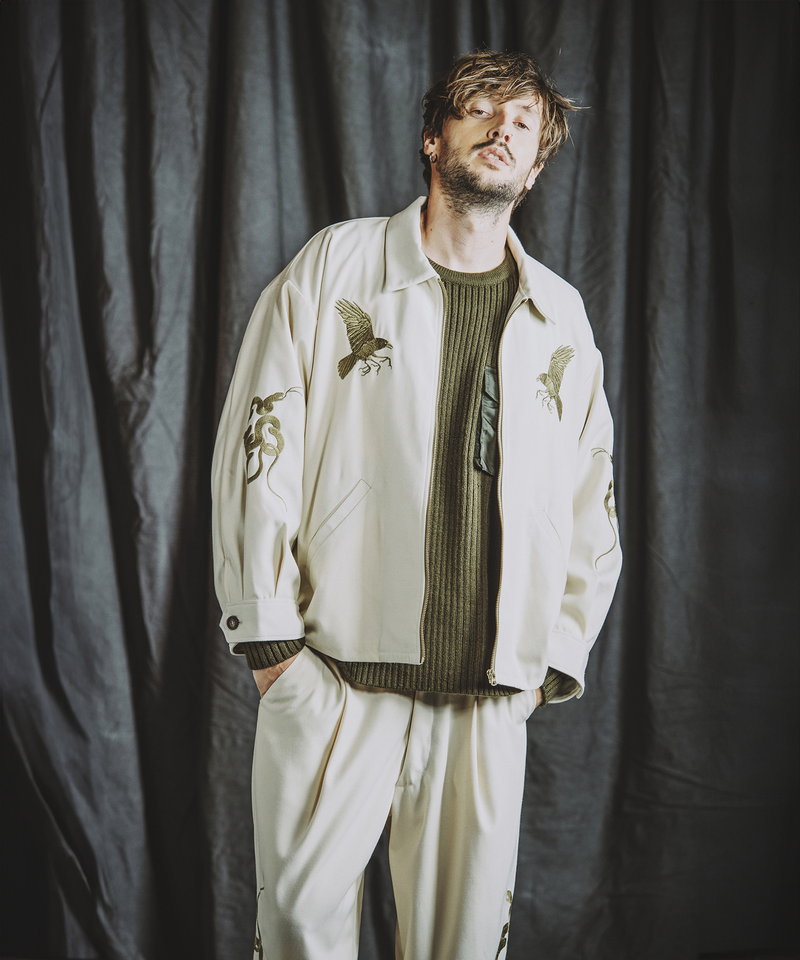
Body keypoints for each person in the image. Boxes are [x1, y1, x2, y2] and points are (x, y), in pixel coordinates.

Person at [211, 48, 622, 960]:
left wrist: (552, 656)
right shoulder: (336, 266)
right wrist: (271, 641)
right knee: (298, 936)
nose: (504, 127)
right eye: (483, 108)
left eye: (525, 123)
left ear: (535, 168)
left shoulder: (560, 314)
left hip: (487, 697)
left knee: (464, 946)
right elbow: (258, 444)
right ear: (435, 137)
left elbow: (591, 495)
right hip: (336, 677)